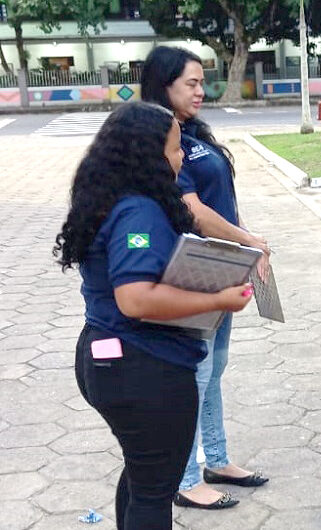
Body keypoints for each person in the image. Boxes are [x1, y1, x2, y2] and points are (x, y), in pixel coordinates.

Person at [54, 102, 254, 529]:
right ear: (148, 153)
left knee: (145, 476)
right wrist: (219, 298)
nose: (182, 158)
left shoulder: (112, 199)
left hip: (110, 358)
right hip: (141, 367)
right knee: (153, 490)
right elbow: (136, 298)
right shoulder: (137, 211)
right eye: (176, 149)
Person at [141, 46, 271, 510]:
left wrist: (243, 243)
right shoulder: (158, 134)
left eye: (202, 82)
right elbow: (192, 210)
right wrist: (251, 239)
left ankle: (215, 458)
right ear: (164, 83)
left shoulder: (192, 131)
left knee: (214, 370)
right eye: (191, 83)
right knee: (194, 373)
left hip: (224, 261)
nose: (201, 90)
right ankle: (186, 475)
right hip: (195, 265)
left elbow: (218, 200)